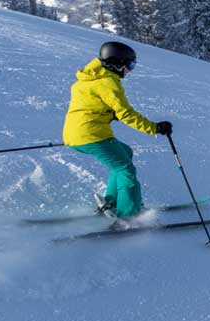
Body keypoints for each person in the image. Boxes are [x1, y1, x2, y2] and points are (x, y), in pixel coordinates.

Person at [62, 42, 172, 224]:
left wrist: (108, 113)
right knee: (125, 169)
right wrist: (154, 128)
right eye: (130, 65)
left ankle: (112, 202)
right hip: (92, 135)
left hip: (75, 134)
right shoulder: (108, 82)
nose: (130, 70)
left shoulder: (86, 80)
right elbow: (126, 114)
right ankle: (129, 214)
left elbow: (89, 105)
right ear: (116, 63)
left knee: (125, 153)